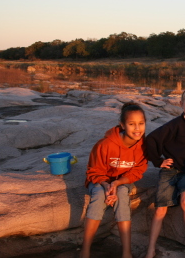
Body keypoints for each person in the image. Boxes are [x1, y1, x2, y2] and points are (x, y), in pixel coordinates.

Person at [145, 83, 185, 258]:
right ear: (181, 103)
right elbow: (151, 140)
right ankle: (150, 248)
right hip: (170, 170)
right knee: (160, 208)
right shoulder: (174, 125)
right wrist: (158, 161)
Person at [81, 102, 148, 258]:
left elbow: (137, 171)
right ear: (122, 125)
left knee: (123, 195)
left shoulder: (144, 146)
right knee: (98, 196)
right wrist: (106, 185)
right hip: (100, 180)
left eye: (141, 124)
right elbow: (94, 171)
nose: (137, 128)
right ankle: (85, 250)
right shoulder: (105, 145)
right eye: (132, 124)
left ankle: (126, 252)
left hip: (122, 181)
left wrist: (117, 183)